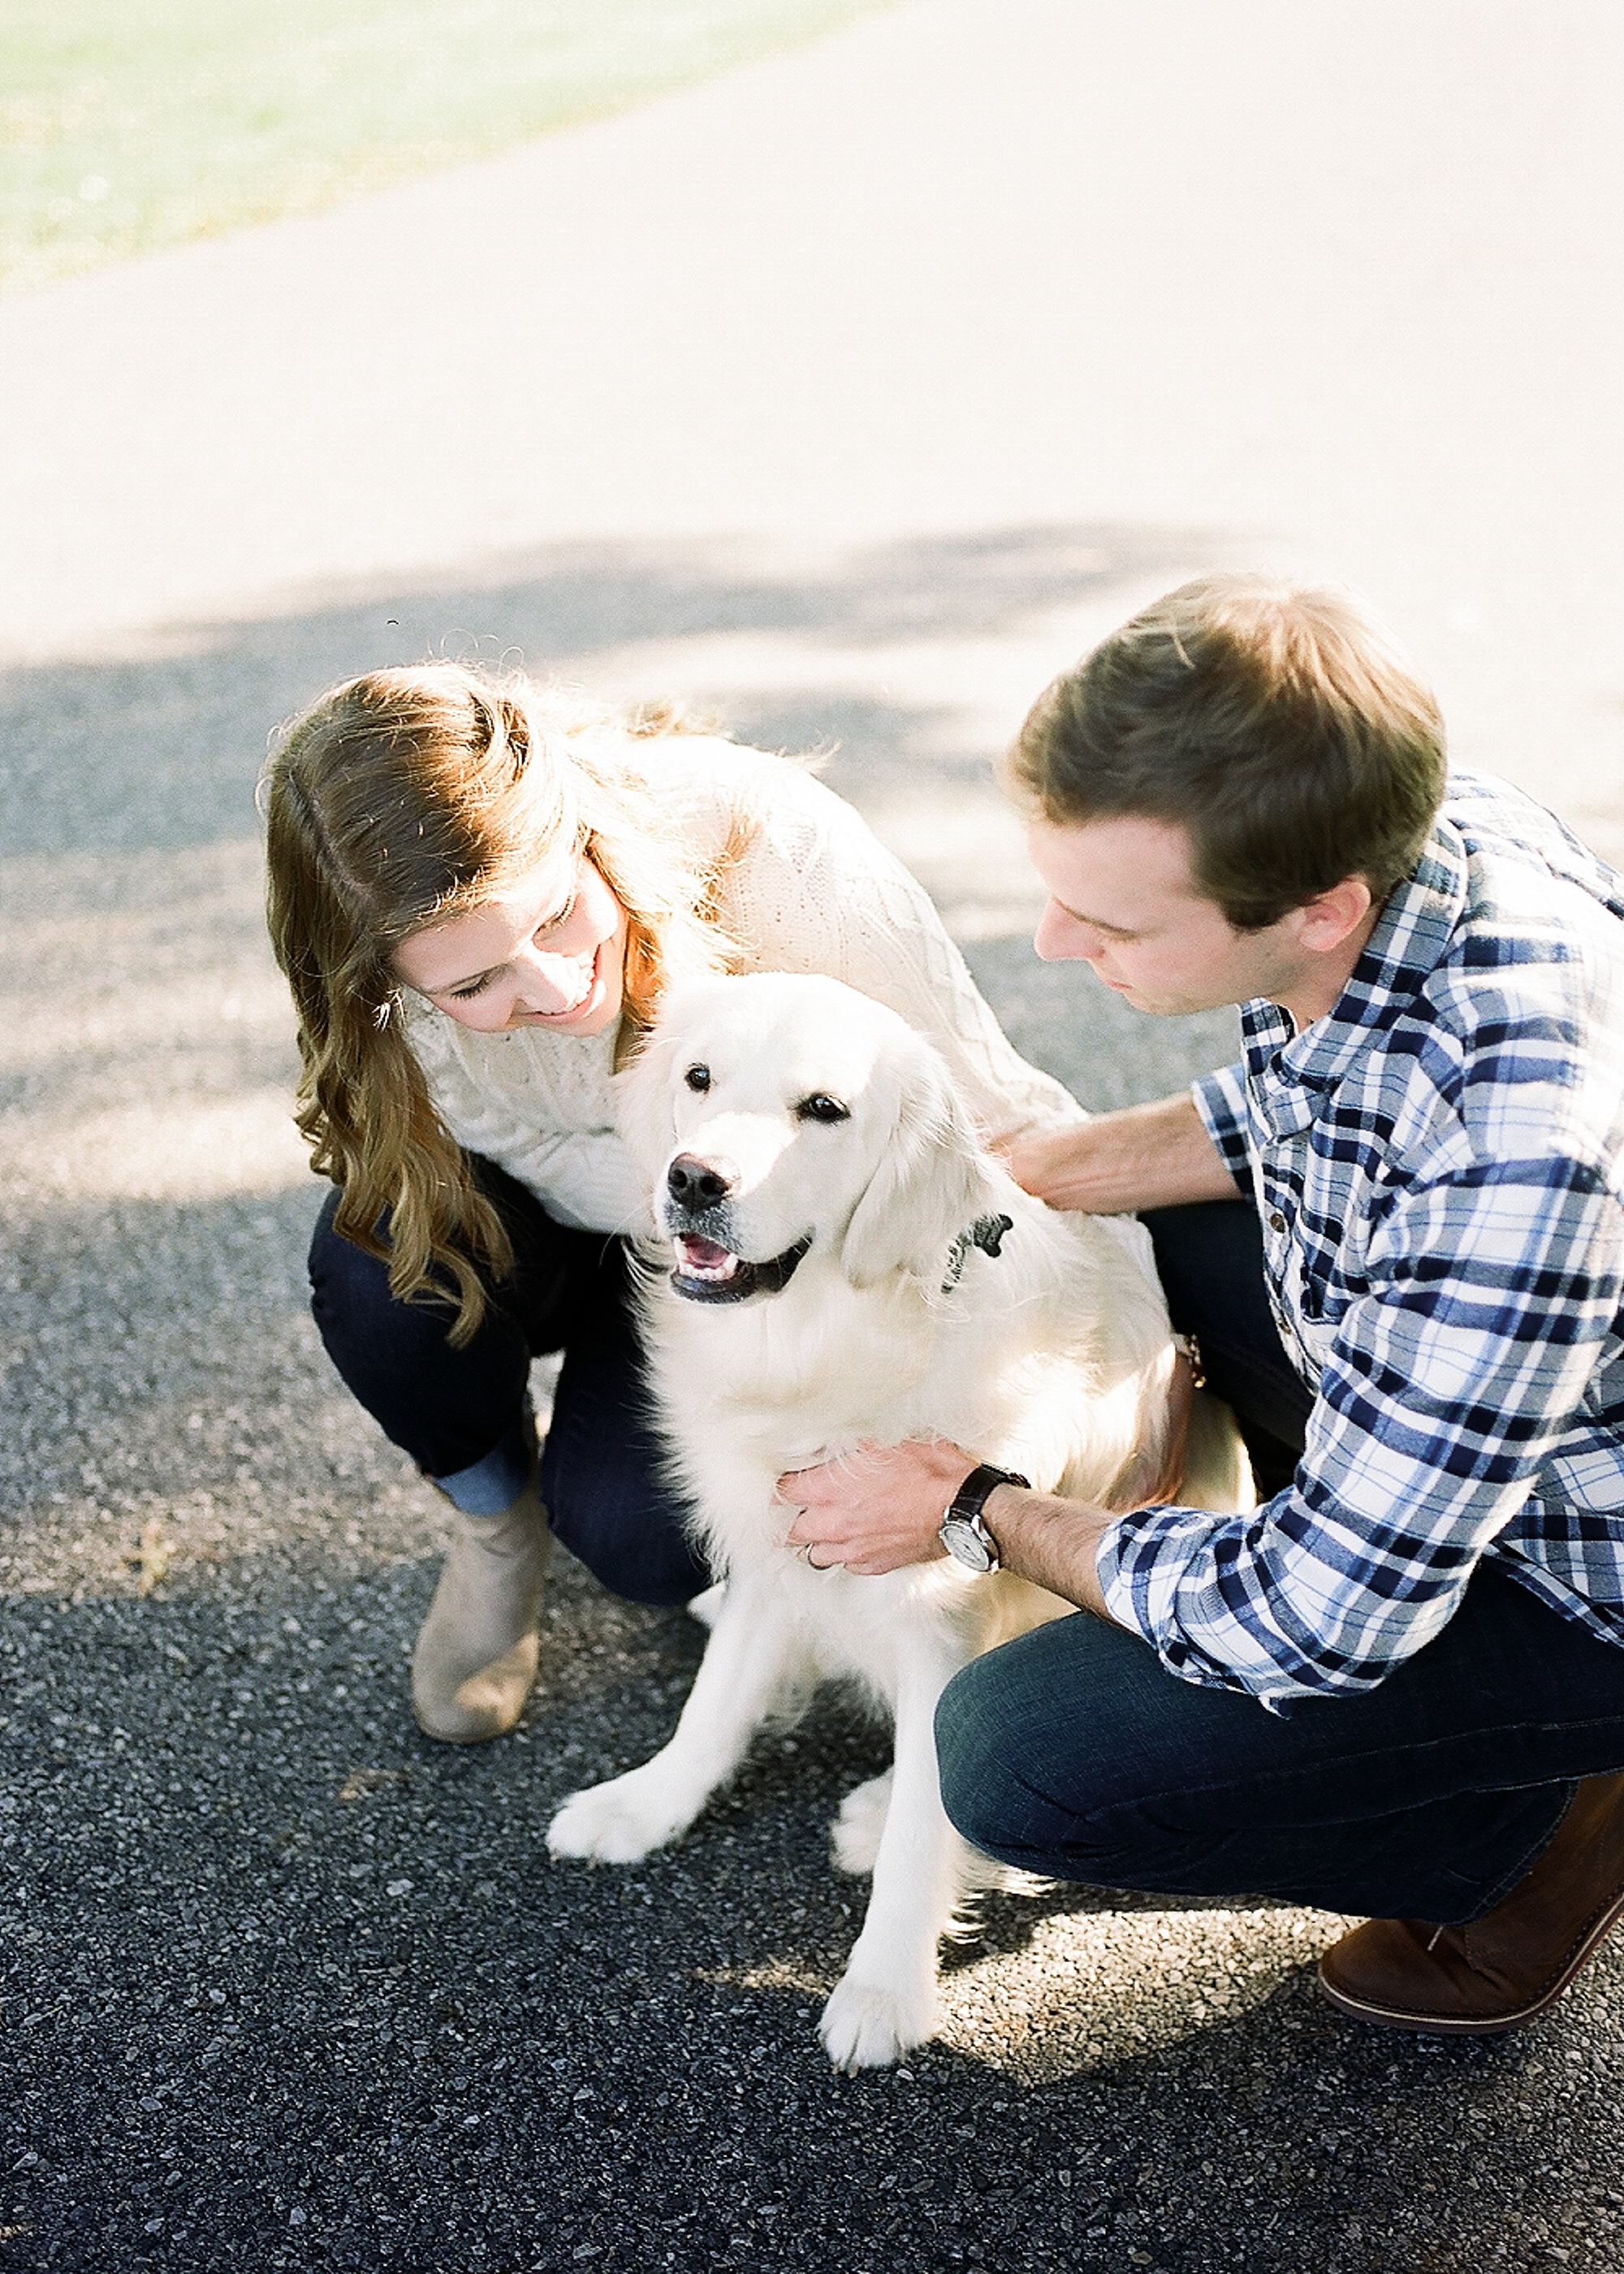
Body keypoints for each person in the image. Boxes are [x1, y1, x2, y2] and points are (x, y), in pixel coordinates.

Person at [783, 574, 1624, 2038]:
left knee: (1020, 1753)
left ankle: (1531, 1846)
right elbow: (1315, 1093)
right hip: (1474, 1390)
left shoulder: (1521, 1153)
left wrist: (975, 1505)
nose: (1050, 943)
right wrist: (1032, 1176)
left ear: (1319, 907)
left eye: (1106, 919)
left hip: (1588, 1571)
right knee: (1136, 1234)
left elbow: (1321, 1618)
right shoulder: (1397, 822)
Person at [261, 662, 1088, 1744]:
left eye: (556, 915)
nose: (553, 991)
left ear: (577, 830)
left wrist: (1113, 1327)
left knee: (644, 1542)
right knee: (373, 1260)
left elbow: (987, 1120)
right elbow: (521, 1139)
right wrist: (699, 1199)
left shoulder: (768, 842)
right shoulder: (392, 993)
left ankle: (605, 1473)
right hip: (614, 1219)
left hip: (788, 1239)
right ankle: (495, 1521)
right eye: (473, 987)